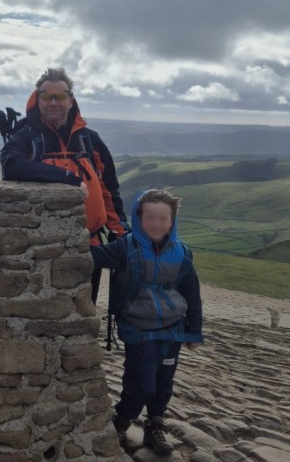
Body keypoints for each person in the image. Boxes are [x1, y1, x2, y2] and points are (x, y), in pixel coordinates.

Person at [0, 66, 127, 302]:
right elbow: (11, 165)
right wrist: (67, 179)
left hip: (89, 246)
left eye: (61, 96)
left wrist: (120, 230)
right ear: (37, 100)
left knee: (82, 313)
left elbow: (109, 189)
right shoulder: (26, 136)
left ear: (71, 100)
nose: (53, 102)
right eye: (46, 96)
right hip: (40, 249)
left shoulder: (89, 140)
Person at [91, 189, 203, 455]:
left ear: (172, 222)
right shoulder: (124, 247)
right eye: (149, 217)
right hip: (138, 330)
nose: (156, 224)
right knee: (141, 384)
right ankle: (121, 419)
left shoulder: (182, 253)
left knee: (164, 382)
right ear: (139, 219)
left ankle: (155, 425)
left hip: (173, 331)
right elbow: (93, 257)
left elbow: (192, 292)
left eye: (163, 218)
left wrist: (194, 331)